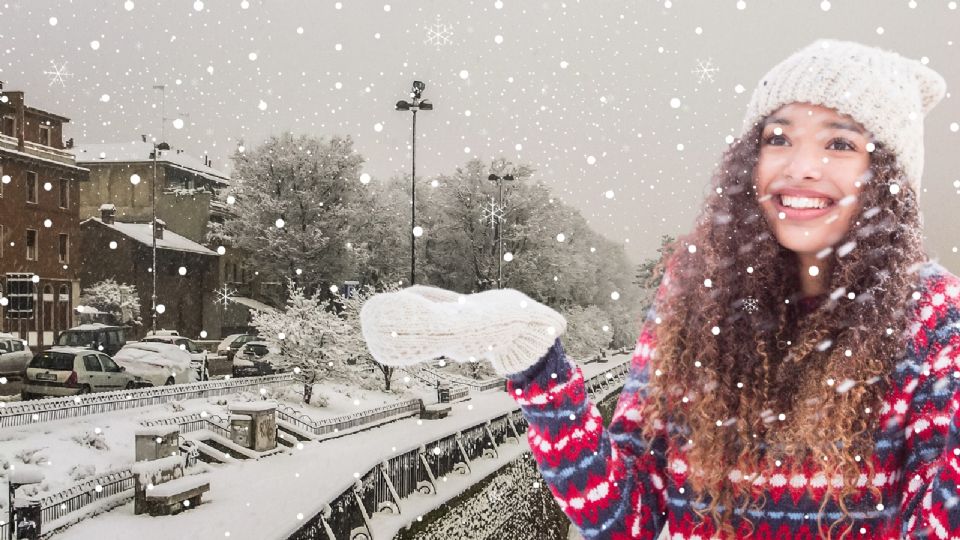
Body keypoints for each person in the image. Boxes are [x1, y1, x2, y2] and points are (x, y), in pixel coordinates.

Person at [360, 39, 960, 539]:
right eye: (778, 138)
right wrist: (538, 365)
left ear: (887, 177)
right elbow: (627, 517)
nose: (800, 165)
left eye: (840, 142)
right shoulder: (698, 302)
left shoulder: (933, 320)